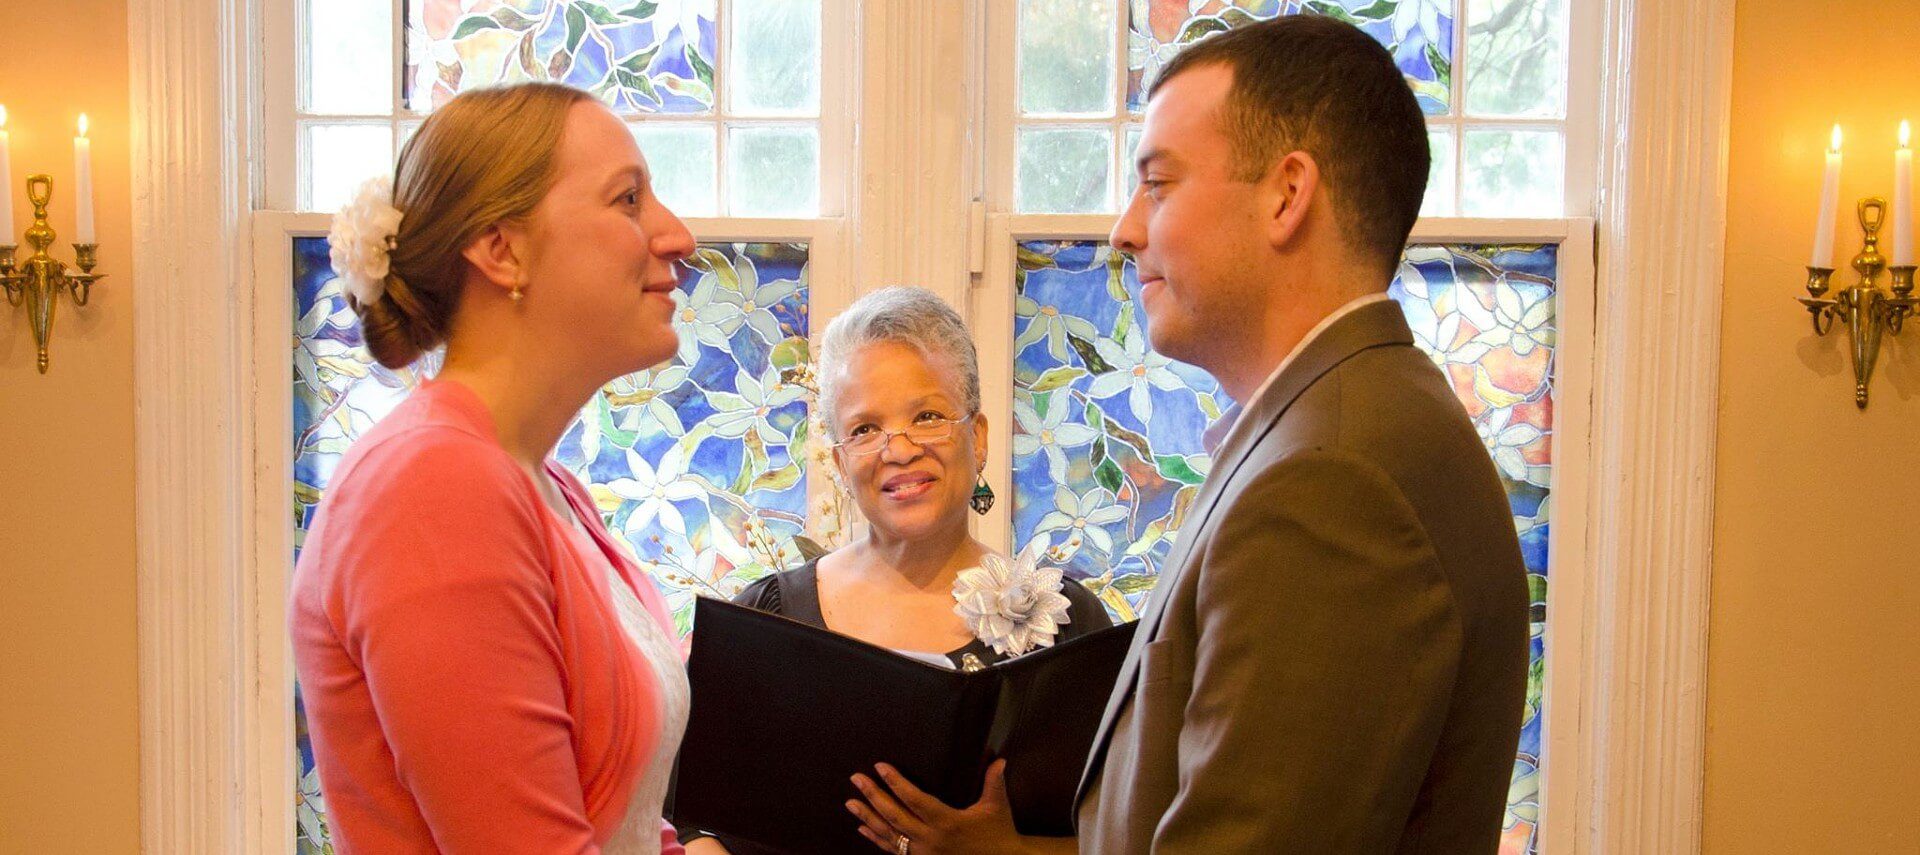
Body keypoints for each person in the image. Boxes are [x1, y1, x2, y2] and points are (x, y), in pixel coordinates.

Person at [1074, 15, 1530, 854]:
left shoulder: (1331, 482)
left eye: (1160, 184)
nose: (1125, 229)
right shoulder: (1348, 420)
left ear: (1287, 195)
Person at [290, 81, 698, 853]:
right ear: (500, 249)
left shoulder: (547, 487)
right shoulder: (431, 488)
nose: (677, 235)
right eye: (629, 200)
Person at [678, 286, 1111, 855]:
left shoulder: (1068, 624)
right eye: (864, 429)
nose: (898, 450)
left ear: (976, 438)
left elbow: (1131, 832)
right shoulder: (765, 620)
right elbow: (694, 830)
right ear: (838, 460)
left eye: (927, 417)